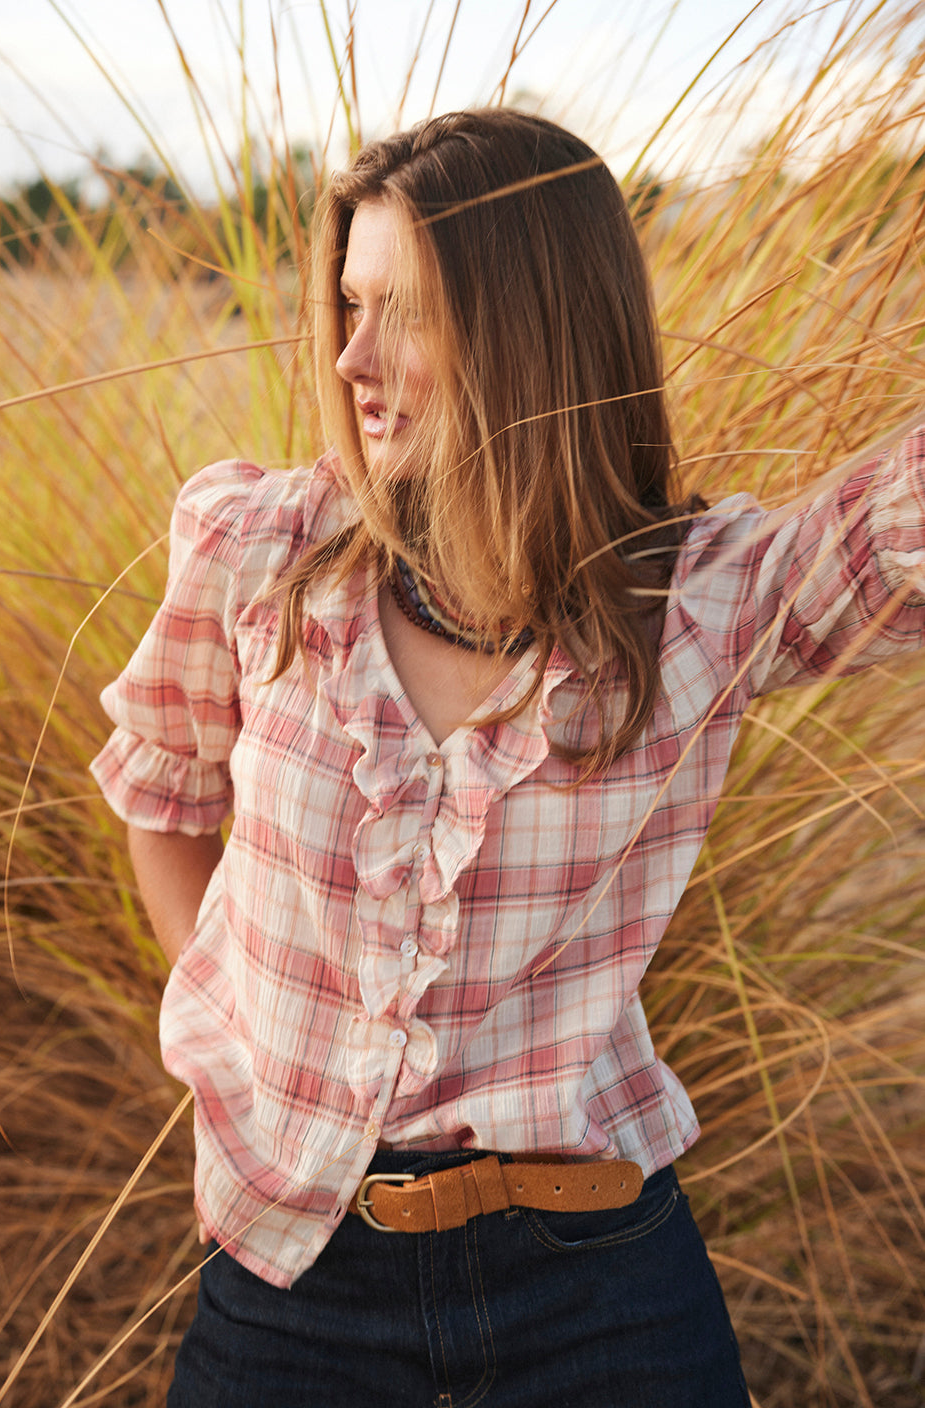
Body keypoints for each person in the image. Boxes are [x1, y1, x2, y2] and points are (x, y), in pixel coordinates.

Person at [90, 107, 925, 1407]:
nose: (355, 358)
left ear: (541, 331)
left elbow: (896, 536)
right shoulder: (259, 552)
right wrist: (254, 1058)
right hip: (291, 1271)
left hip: (598, 1277)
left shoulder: (699, 608)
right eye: (349, 304)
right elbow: (164, 795)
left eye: (408, 311)